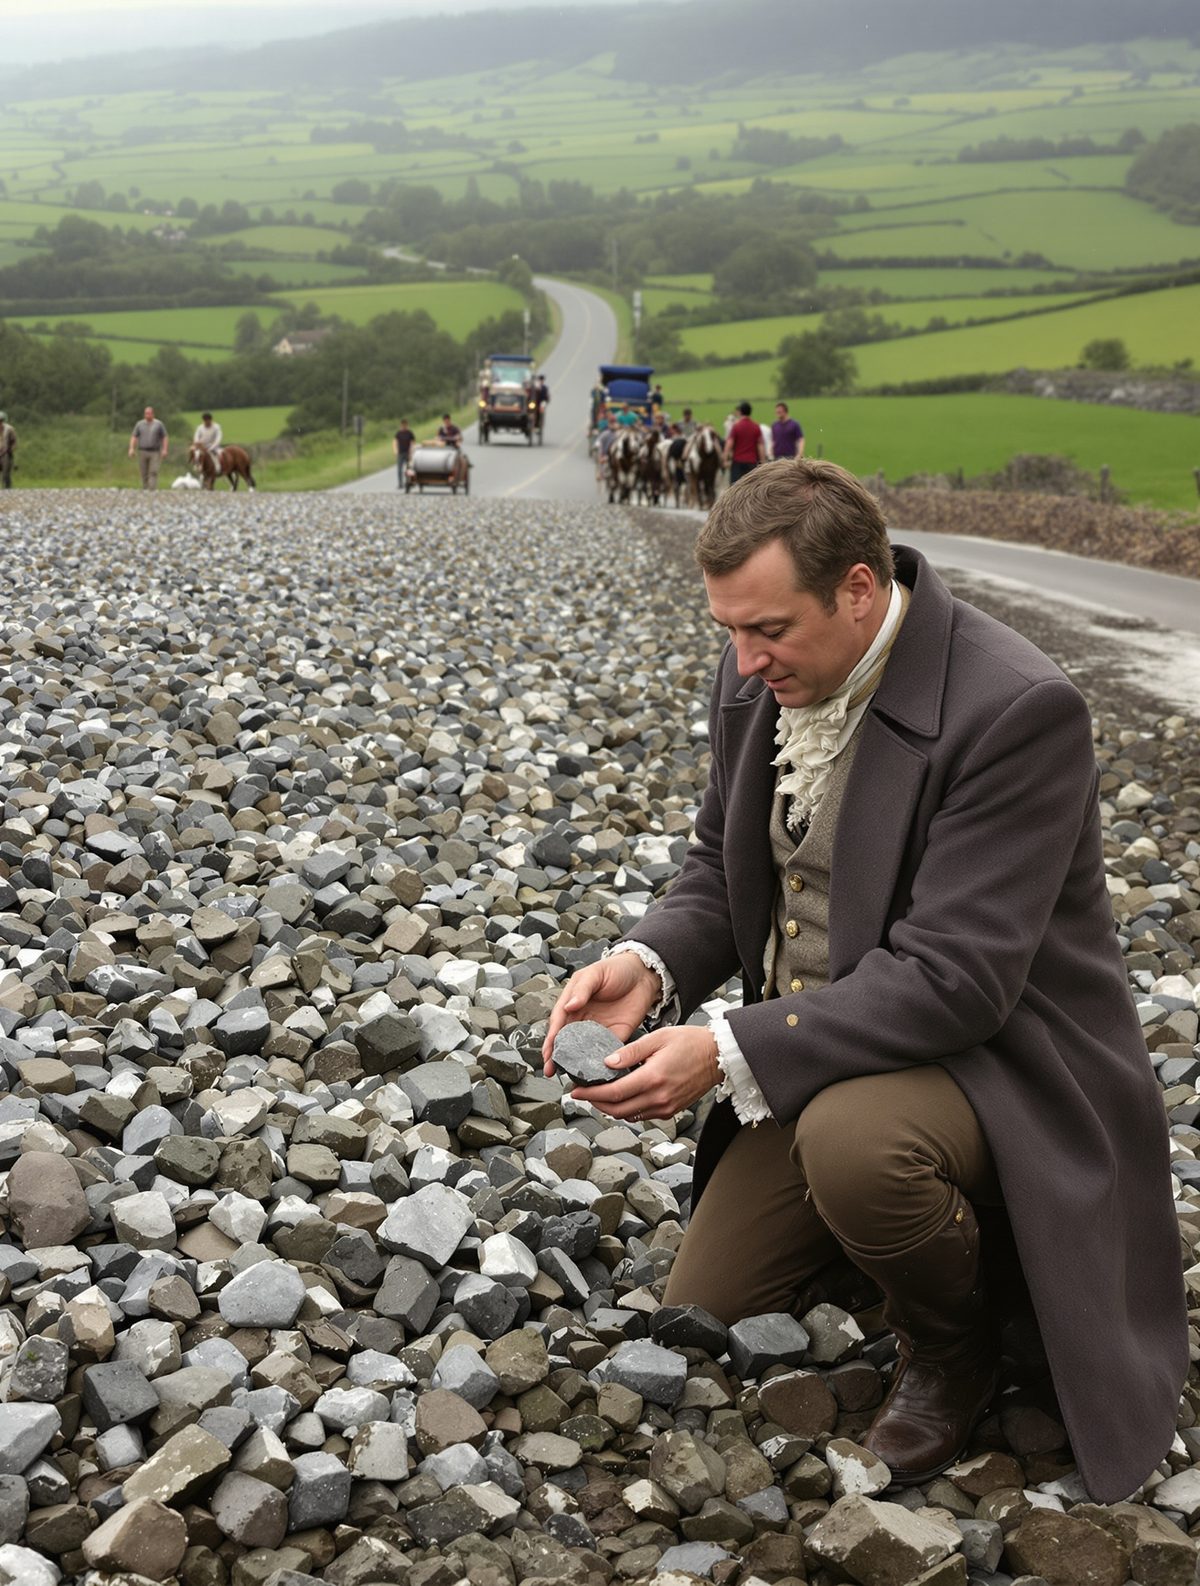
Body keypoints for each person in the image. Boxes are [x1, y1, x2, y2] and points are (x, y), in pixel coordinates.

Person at [544, 457, 1186, 1504]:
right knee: (707, 1300)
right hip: (831, 1046)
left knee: (857, 1145)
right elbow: (721, 866)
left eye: (770, 631)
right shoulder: (761, 671)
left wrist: (729, 1048)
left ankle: (957, 1338)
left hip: (1002, 1064)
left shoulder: (1019, 707)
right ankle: (919, 1235)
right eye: (731, 631)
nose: (745, 662)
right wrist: (647, 963)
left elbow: (958, 979)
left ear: (857, 586)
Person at [723, 401, 765, 484]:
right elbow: (760, 446)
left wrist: (724, 459)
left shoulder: (736, 426)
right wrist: (763, 463)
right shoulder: (756, 426)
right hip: (752, 463)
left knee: (735, 490)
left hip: (737, 463)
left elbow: (729, 444)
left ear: (740, 412)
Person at [128, 406, 168, 490]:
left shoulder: (158, 424)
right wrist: (132, 448)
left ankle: (152, 489)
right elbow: (134, 436)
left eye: (149, 413)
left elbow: (164, 437)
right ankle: (145, 488)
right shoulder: (139, 424)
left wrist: (164, 449)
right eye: (146, 413)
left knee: (153, 471)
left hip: (155, 451)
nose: (147, 415)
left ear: (153, 414)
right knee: (144, 472)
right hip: (142, 450)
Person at [393, 418, 415, 488]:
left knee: (409, 469)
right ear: (401, 425)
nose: (404, 426)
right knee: (399, 469)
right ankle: (400, 483)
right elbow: (395, 442)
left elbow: (412, 443)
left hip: (408, 453)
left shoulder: (410, 433)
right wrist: (395, 451)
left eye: (405, 425)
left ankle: (410, 482)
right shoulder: (398, 433)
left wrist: (411, 452)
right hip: (400, 453)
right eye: (403, 425)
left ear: (407, 425)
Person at [0, 412, 16, 489]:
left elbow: (14, 442)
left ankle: (6, 488)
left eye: (1, 420)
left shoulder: (9, 429)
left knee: (6, 473)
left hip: (5, 453)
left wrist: (11, 450)